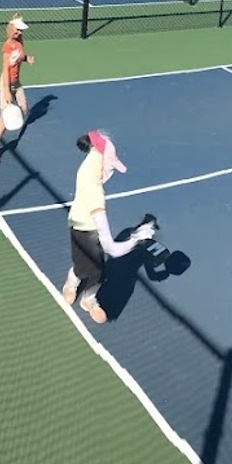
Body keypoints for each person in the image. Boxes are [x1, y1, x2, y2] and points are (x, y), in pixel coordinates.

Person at [60, 130, 153, 324]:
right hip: (82, 227)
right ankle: (75, 284)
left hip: (87, 224)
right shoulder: (94, 193)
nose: (111, 172)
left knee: (96, 269)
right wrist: (137, 238)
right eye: (110, 167)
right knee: (88, 268)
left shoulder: (90, 170)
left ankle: (88, 298)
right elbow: (112, 248)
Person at [0, 13, 35, 165]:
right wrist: (7, 91)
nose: (19, 33)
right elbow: (6, 69)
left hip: (17, 82)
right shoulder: (7, 46)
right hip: (7, 83)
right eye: (17, 30)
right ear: (11, 28)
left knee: (25, 108)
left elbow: (19, 56)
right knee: (5, 117)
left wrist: (27, 59)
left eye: (21, 31)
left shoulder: (20, 42)